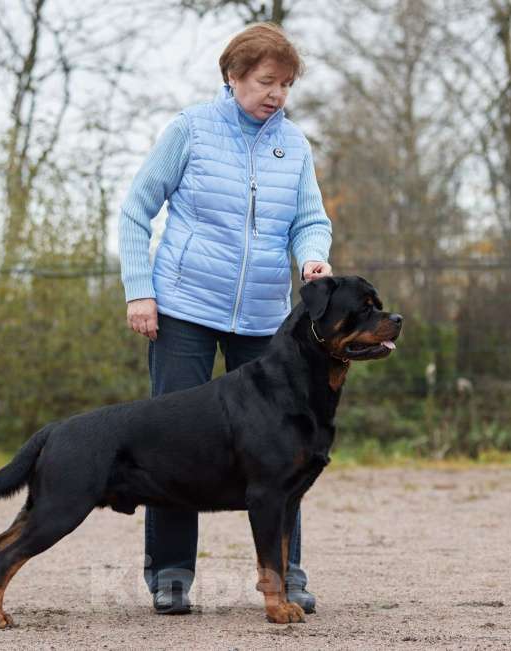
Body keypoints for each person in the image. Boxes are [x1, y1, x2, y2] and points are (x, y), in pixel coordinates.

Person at [117, 22, 333, 615]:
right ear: (233, 76)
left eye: (286, 84)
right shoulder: (190, 129)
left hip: (264, 320)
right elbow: (136, 209)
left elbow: (309, 219)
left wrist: (313, 257)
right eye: (266, 81)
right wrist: (140, 291)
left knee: (284, 451)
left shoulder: (294, 145)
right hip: (184, 309)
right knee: (171, 444)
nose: (277, 94)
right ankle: (170, 575)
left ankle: (286, 574)